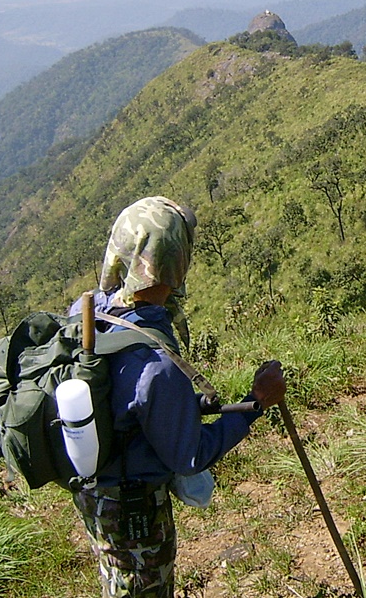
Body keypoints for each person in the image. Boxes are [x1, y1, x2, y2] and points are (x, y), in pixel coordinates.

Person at [68, 195, 286, 598]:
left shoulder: (86, 313)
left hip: (95, 493)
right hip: (134, 511)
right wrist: (256, 403)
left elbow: (126, 407)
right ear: (175, 261)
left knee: (115, 579)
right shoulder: (157, 363)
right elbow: (190, 457)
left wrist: (187, 407)